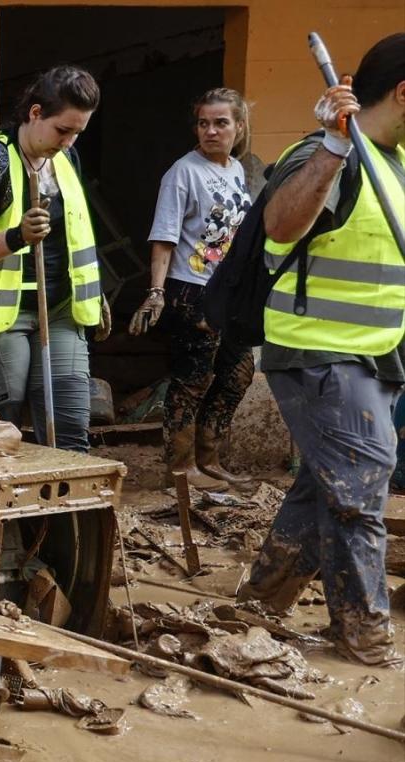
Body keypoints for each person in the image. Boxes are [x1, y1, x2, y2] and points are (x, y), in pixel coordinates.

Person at [239, 33, 405, 667]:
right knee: (360, 493)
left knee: (323, 488)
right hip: (321, 355)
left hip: (375, 355)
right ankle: (365, 636)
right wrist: (336, 144)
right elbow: (280, 225)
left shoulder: (393, 161)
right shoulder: (329, 153)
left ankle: (258, 603)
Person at [0, 65, 112, 453]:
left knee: (69, 432)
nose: (68, 142)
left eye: (77, 133)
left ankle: (67, 516)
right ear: (35, 113)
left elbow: (74, 234)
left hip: (61, 311)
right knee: (1, 435)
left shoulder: (68, 161)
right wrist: (17, 236)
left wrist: (93, 293)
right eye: (62, 130)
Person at [130, 88, 256, 491]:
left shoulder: (237, 169)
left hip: (231, 293)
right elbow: (164, 237)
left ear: (239, 126)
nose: (211, 131)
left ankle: (210, 458)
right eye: (204, 123)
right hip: (192, 290)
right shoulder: (183, 172)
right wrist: (155, 291)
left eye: (221, 123)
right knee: (193, 379)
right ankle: (180, 469)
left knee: (238, 374)